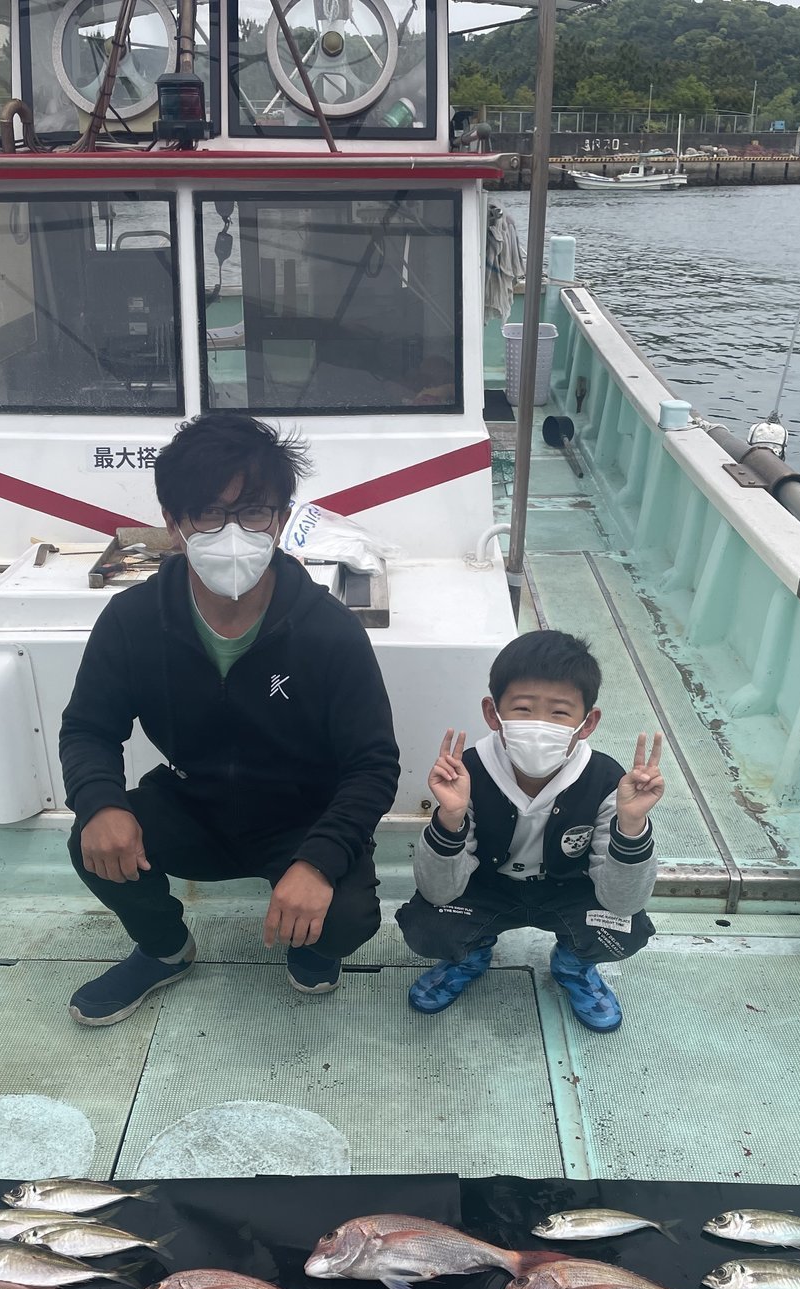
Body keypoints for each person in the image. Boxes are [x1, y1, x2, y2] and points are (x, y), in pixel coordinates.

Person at [60, 414, 400, 1025]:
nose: (233, 533)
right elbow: (89, 727)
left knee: (348, 918)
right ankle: (165, 949)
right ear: (174, 523)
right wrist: (101, 804)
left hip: (301, 812)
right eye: (208, 515)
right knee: (93, 841)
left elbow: (372, 764)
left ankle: (315, 948)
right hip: (195, 801)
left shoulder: (328, 631)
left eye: (255, 513)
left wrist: (318, 861)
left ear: (282, 517)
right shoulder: (132, 620)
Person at [396, 630, 663, 1031]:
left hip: (567, 892)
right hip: (486, 889)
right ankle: (470, 955)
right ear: (493, 713)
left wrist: (631, 824)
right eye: (522, 708)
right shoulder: (466, 772)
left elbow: (623, 900)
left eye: (559, 713)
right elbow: (439, 890)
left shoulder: (609, 782)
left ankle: (574, 967)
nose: (540, 725)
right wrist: (449, 817)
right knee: (429, 924)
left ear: (587, 723)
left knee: (623, 930)